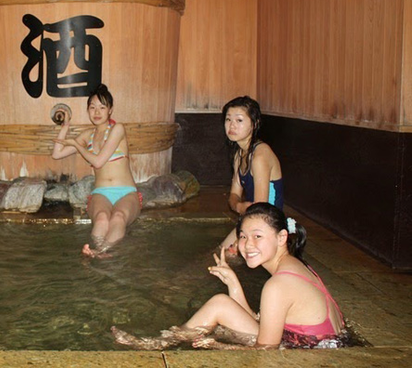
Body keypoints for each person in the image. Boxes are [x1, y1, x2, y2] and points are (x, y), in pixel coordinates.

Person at [111, 203, 347, 350]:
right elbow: (261, 322)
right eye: (242, 236)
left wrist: (220, 346)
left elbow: (266, 351)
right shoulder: (296, 266)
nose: (247, 244)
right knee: (220, 304)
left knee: (218, 321)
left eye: (257, 236)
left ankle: (157, 344)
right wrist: (233, 282)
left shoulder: (279, 285)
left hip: (310, 355)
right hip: (315, 343)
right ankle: (162, 342)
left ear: (282, 237)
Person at [52, 84, 141, 258]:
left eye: (102, 107)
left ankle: (102, 251)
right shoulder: (88, 136)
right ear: (88, 111)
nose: (97, 112)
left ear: (110, 110)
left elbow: (98, 162)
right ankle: (98, 251)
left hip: (126, 192)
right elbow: (57, 154)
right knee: (101, 218)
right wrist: (65, 126)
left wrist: (77, 145)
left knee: (118, 217)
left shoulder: (118, 129)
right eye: (92, 107)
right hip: (101, 193)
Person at [218, 96, 283, 254]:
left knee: (226, 255)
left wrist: (241, 240)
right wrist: (239, 206)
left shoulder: (260, 156)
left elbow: (260, 207)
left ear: (254, 124)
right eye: (228, 119)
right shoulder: (239, 155)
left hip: (268, 225)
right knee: (221, 252)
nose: (232, 125)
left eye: (239, 120)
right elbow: (233, 196)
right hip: (252, 219)